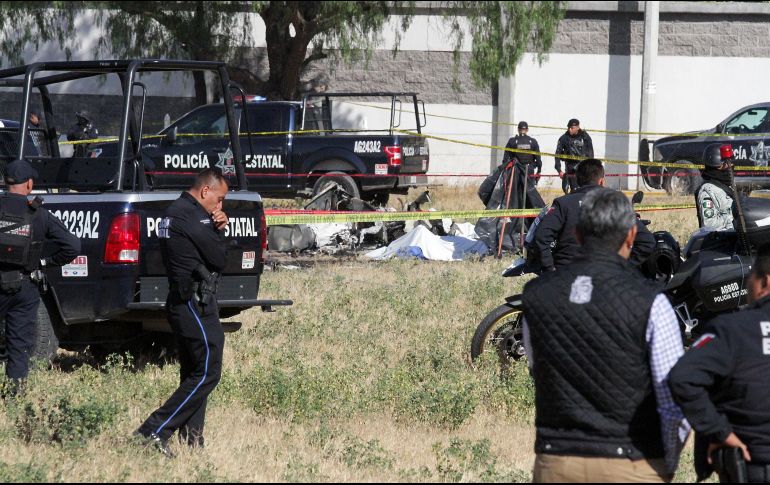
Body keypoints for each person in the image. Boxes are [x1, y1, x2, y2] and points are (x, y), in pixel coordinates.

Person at [522, 188, 689, 483]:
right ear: (631, 235)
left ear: (577, 234)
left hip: (556, 461)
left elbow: (539, 371)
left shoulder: (536, 296)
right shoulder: (651, 302)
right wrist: (666, 462)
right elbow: (674, 398)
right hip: (633, 461)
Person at [135, 168, 230, 457]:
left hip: (184, 299)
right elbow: (219, 258)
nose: (220, 206)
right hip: (194, 303)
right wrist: (220, 230)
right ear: (205, 191)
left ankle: (192, 440)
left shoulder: (175, 211)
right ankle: (153, 430)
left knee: (195, 371)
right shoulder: (192, 216)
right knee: (208, 371)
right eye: (219, 199)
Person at [668, 243, 770, 483]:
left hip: (752, 466)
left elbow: (682, 377)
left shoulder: (732, 329)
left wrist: (719, 431)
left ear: (764, 283)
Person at [0, 159, 80, 395]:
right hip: (24, 287)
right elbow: (73, 246)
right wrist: (45, 263)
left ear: (5, 182)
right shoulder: (38, 214)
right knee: (19, 345)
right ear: (29, 184)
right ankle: (15, 395)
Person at [533, 158, 655, 272]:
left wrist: (550, 269)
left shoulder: (563, 203)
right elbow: (647, 242)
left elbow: (541, 236)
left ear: (577, 180)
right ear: (601, 181)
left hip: (566, 275)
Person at [696, 145, 735, 230]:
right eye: (727, 163)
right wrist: (734, 220)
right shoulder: (707, 191)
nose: (731, 165)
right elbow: (709, 224)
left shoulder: (727, 185)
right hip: (723, 237)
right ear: (717, 165)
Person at [555, 118, 594, 194]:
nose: (570, 129)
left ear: (578, 127)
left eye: (572, 128)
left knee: (585, 191)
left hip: (584, 168)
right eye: (569, 127)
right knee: (574, 191)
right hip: (571, 169)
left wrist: (591, 168)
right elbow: (557, 155)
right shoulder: (564, 138)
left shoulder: (585, 137)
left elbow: (591, 153)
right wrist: (559, 170)